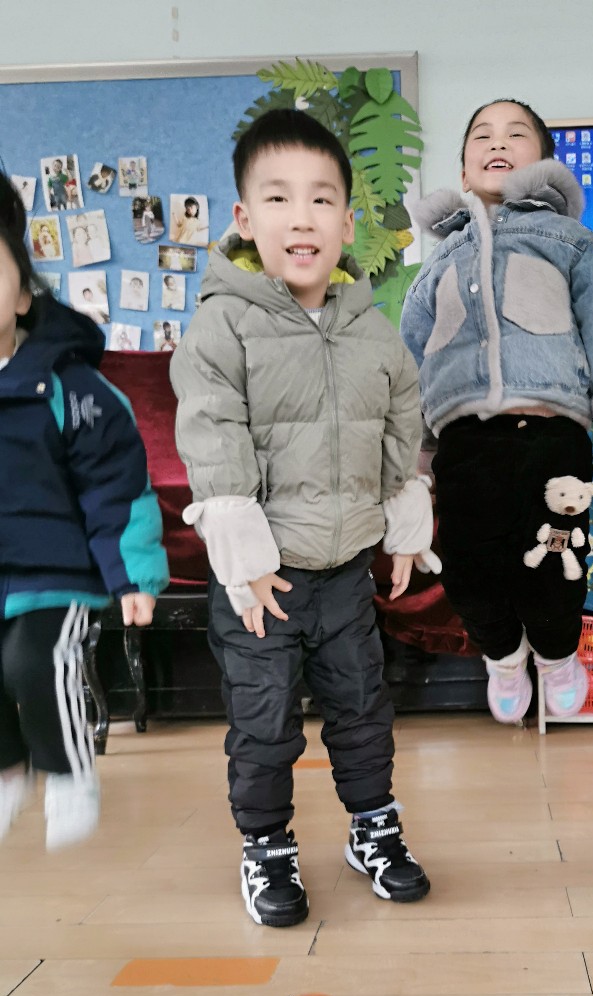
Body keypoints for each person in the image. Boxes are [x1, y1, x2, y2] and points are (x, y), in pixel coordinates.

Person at [171, 108, 435, 928]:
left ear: (347, 223)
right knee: (263, 721)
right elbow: (212, 431)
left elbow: (399, 423)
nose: (302, 217)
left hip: (346, 571)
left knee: (363, 710)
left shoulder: (371, 330)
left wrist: (404, 524)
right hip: (261, 581)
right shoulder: (223, 323)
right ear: (246, 219)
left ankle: (373, 827)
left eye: (322, 200)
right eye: (279, 198)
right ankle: (266, 845)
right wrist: (243, 552)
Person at [400, 99, 593, 724]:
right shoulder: (437, 264)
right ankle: (504, 656)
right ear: (464, 172)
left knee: (553, 562)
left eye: (516, 134)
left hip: (550, 434)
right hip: (464, 440)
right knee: (469, 569)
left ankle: (558, 654)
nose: (498, 142)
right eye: (482, 136)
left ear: (543, 162)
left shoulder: (571, 242)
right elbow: (411, 364)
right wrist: (413, 460)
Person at [0, 169, 168, 850]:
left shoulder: (69, 387)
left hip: (58, 574)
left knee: (33, 662)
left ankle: (69, 770)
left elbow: (116, 484)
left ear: (22, 292)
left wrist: (133, 576)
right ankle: (8, 770)